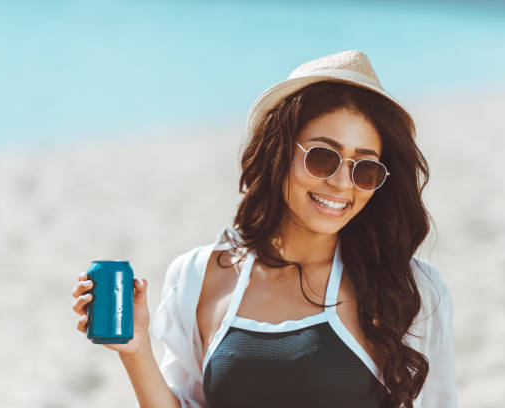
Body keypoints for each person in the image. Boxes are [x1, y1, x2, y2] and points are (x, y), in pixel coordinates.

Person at [71, 49, 458, 408]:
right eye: (323, 158)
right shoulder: (198, 277)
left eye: (365, 168)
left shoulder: (407, 290)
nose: (342, 184)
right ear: (279, 152)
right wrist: (137, 351)